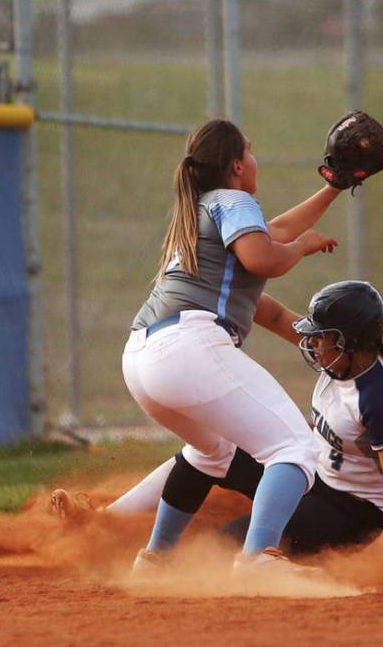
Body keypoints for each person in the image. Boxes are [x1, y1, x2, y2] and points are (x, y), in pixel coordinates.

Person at [120, 118, 345, 574]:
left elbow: (272, 233)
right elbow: (266, 254)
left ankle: (155, 559)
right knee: (294, 448)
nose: (255, 159)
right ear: (238, 165)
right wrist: (303, 246)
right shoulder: (234, 200)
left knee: (211, 452)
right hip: (188, 349)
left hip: (143, 357)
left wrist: (334, 188)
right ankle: (259, 557)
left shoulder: (204, 210)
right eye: (251, 151)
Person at [52, 280, 383, 555]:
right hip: (318, 475)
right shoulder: (340, 362)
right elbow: (272, 315)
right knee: (213, 448)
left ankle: (232, 564)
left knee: (224, 541)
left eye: (324, 337)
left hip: (352, 511)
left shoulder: (381, 397)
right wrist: (220, 284)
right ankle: (103, 520)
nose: (313, 344)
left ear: (351, 342)